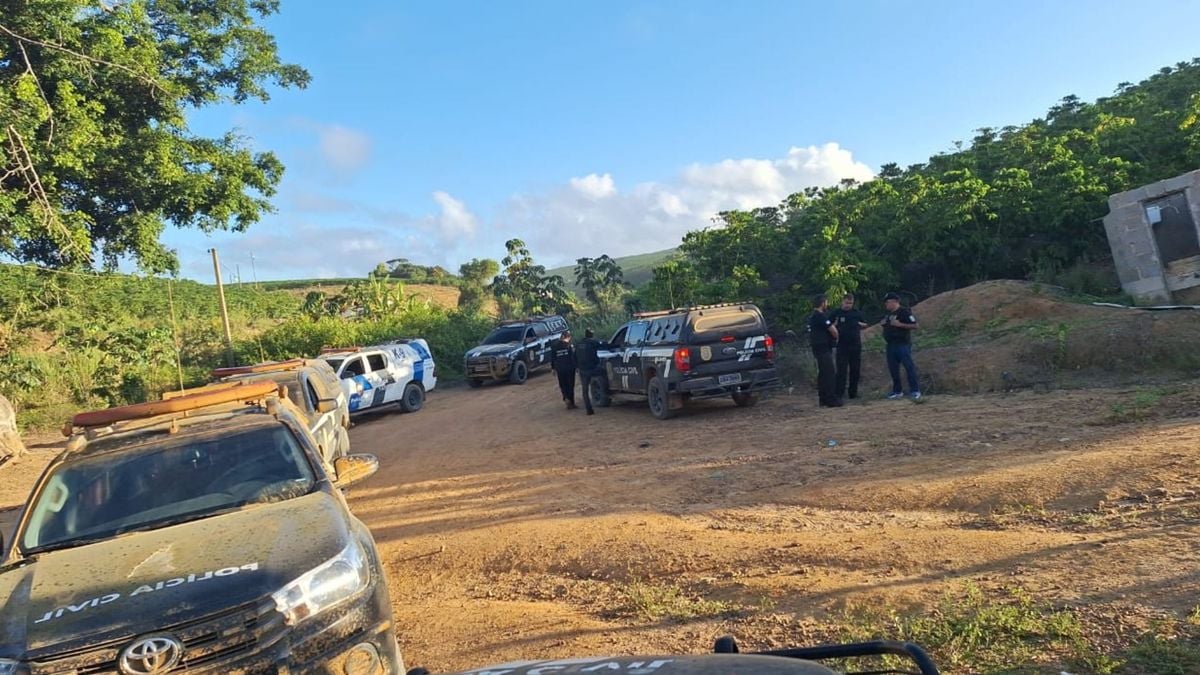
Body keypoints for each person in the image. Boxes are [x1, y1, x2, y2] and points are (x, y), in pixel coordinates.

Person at [881, 292, 921, 400]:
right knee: (893, 369)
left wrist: (900, 324)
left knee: (909, 367)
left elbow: (915, 325)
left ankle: (915, 390)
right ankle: (897, 391)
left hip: (902, 344)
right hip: (890, 344)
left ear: (895, 301)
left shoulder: (904, 312)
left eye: (887, 302)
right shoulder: (888, 314)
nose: (886, 304)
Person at [829, 293, 869, 400]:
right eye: (847, 303)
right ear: (842, 302)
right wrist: (835, 325)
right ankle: (839, 393)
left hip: (855, 345)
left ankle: (853, 393)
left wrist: (860, 324)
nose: (848, 305)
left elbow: (866, 324)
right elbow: (828, 325)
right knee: (841, 370)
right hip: (842, 345)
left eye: (850, 303)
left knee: (855, 370)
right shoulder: (836, 313)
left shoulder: (856, 313)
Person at [808, 294, 842, 408]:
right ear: (822, 303)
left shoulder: (813, 317)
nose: (827, 305)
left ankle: (823, 399)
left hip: (818, 348)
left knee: (823, 373)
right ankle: (831, 399)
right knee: (829, 373)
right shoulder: (820, 316)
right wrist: (836, 335)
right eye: (826, 302)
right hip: (823, 348)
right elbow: (834, 332)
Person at [574, 328, 604, 416]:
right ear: (592, 335)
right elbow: (604, 346)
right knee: (604, 375)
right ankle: (605, 396)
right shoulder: (593, 342)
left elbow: (574, 357)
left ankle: (589, 410)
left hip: (583, 370)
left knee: (585, 390)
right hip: (593, 369)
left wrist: (577, 367)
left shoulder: (579, 344)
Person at [549, 330, 577, 409]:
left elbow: (553, 358)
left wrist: (553, 368)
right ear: (567, 337)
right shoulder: (569, 346)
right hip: (569, 369)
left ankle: (565, 397)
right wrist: (576, 366)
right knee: (570, 385)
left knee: (563, 384)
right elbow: (573, 357)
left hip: (560, 369)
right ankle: (571, 402)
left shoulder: (554, 346)